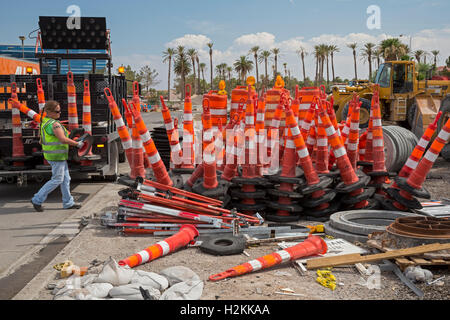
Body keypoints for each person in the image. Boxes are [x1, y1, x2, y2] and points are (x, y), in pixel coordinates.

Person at [31, 100, 84, 212]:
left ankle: (68, 203)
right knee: (57, 179)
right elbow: (63, 139)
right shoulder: (54, 124)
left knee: (65, 179)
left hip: (54, 156)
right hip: (57, 156)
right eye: (57, 111)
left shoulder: (44, 122)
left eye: (60, 111)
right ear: (49, 112)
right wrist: (77, 144)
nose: (59, 113)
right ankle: (37, 199)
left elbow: (41, 141)